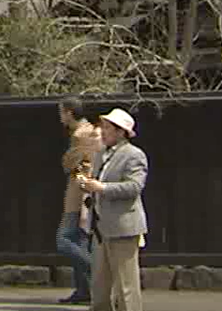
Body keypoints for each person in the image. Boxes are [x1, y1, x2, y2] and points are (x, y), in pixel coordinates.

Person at [75, 108, 146, 311]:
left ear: (121, 132)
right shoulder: (101, 155)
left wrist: (102, 188)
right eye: (103, 127)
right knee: (99, 285)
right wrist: (88, 184)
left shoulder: (134, 155)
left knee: (126, 286)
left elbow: (134, 187)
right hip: (100, 228)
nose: (103, 132)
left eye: (107, 128)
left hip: (123, 228)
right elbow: (96, 182)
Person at [56, 97, 101, 305]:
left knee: (64, 240)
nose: (60, 116)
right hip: (79, 191)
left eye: (62, 112)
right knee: (79, 240)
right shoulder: (85, 132)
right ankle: (84, 290)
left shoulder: (82, 134)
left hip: (80, 192)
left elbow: (70, 163)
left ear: (69, 112)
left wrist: (69, 161)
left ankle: (95, 268)